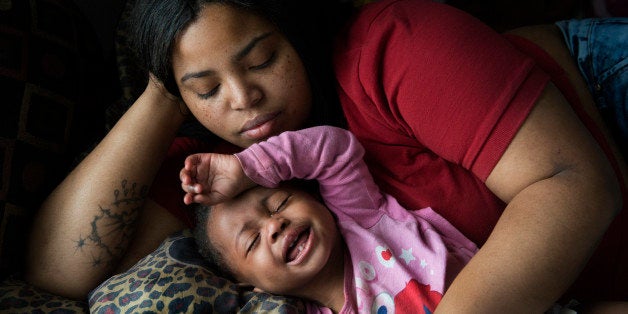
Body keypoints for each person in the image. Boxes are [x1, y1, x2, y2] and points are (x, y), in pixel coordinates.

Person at [24, 0, 627, 312]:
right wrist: (165, 75)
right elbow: (58, 270)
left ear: (296, 30)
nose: (243, 99)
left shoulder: (389, 46)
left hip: (606, 101)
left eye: (261, 59)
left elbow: (573, 181)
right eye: (207, 88)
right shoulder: (222, 172)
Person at [181, 125, 477, 313]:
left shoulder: (361, 217)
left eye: (280, 203)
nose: (274, 225)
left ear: (316, 199)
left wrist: (246, 168)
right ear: (250, 286)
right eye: (253, 240)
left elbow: (333, 149)